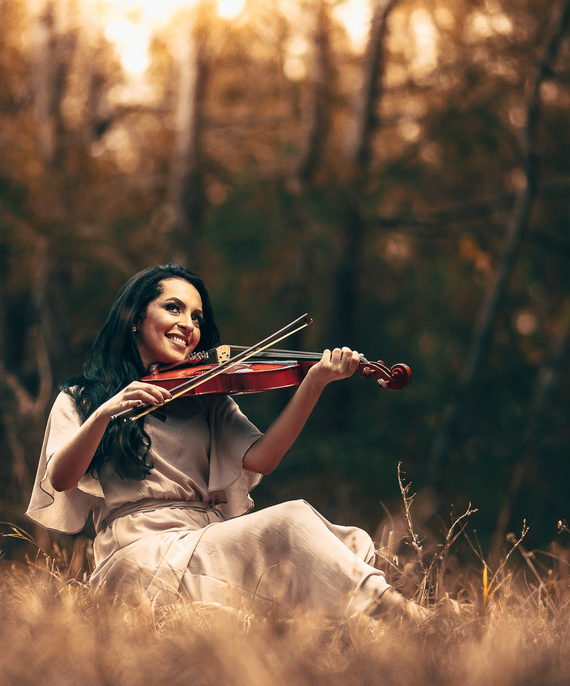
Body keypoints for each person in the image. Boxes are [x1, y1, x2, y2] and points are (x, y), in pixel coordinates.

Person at [26, 264, 425, 621]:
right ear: (135, 317)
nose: (188, 325)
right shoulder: (83, 398)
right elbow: (60, 478)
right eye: (173, 308)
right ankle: (405, 615)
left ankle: (363, 630)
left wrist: (314, 381)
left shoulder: (205, 398)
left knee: (351, 542)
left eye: (196, 317)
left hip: (205, 539)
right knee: (292, 521)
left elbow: (264, 458)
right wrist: (105, 413)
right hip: (138, 554)